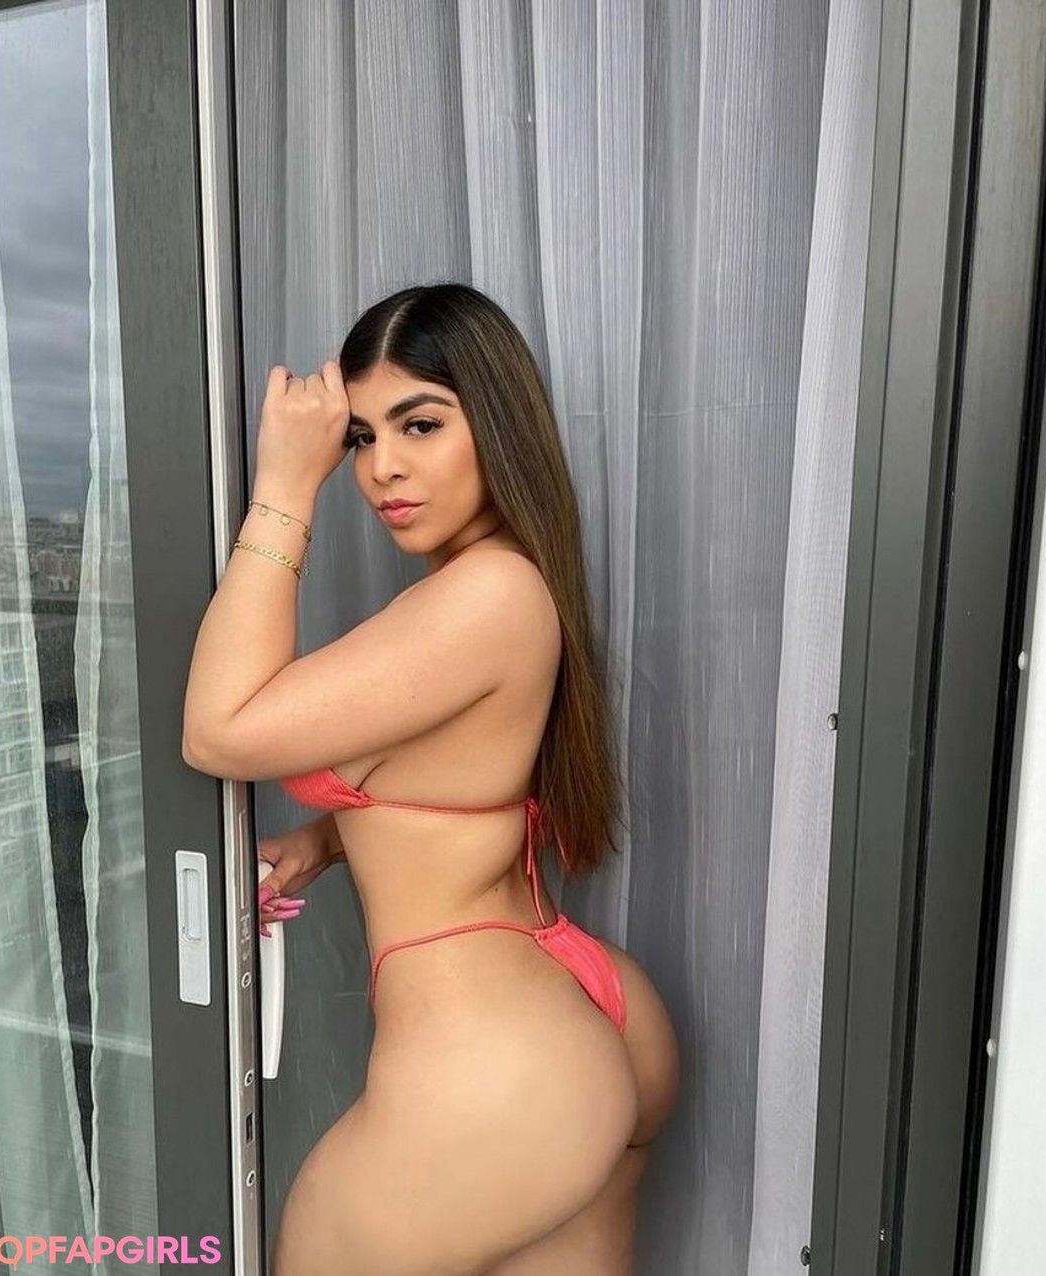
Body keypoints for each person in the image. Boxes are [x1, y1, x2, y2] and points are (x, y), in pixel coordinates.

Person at [182, 283, 680, 1275]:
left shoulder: (487, 593)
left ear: (496, 422)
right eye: (361, 438)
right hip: (565, 1017)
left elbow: (219, 730)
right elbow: (463, 777)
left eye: (420, 423)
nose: (382, 469)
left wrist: (284, 488)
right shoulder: (506, 584)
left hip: (497, 1064)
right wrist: (324, 843)